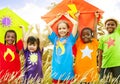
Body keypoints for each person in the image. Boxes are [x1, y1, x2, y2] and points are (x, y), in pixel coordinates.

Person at [47, 13, 78, 84]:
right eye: (59, 29)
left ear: (68, 30)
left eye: (64, 28)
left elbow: (75, 24)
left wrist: (68, 17)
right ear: (57, 30)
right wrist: (57, 18)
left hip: (67, 72)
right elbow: (48, 25)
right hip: (56, 71)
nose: (61, 30)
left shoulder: (70, 39)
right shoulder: (54, 39)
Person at [98, 18, 120, 83]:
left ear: (116, 26)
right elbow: (100, 54)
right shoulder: (102, 38)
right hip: (105, 65)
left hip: (117, 64)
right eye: (108, 24)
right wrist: (99, 66)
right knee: (104, 82)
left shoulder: (118, 33)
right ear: (105, 26)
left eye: (112, 24)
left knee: (117, 82)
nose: (110, 26)